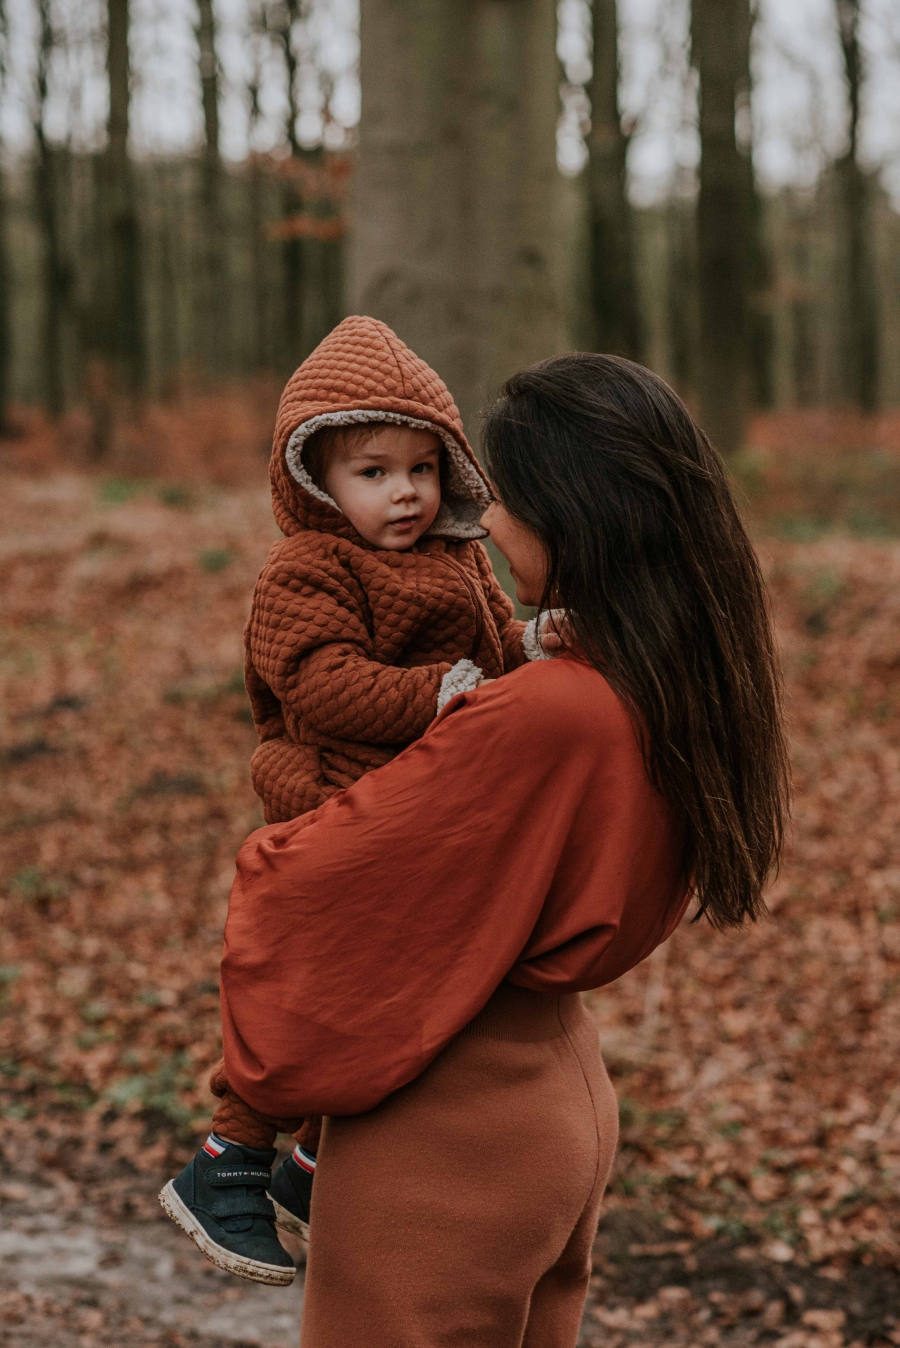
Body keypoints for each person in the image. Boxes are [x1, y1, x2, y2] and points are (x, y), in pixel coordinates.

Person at [215, 351, 790, 1347]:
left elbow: (303, 886)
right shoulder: (647, 679)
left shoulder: (539, 714)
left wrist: (290, 793)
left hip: (446, 1125)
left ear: (573, 515)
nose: (483, 522)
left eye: (503, 499)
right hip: (558, 1099)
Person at [159, 316, 546, 1284]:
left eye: (420, 467)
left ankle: (314, 1163)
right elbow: (318, 683)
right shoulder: (309, 569)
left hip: (422, 808)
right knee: (316, 981)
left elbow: (498, 651)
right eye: (373, 472)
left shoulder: (460, 557)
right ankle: (228, 1158)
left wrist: (539, 646)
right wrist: (434, 694)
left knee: (407, 982)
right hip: (332, 797)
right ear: (317, 482)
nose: (405, 491)